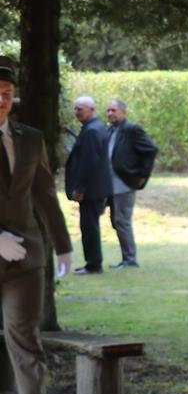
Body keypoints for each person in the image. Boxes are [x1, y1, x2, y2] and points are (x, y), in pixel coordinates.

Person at [0, 57, 74, 394]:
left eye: (7, 93)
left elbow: (44, 195)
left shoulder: (30, 138)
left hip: (25, 257)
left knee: (25, 336)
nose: (1, 99)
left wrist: (62, 246)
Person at [104, 99, 159, 269]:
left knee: (122, 220)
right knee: (116, 221)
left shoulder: (131, 129)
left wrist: (142, 175)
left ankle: (130, 259)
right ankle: (126, 257)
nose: (110, 113)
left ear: (123, 112)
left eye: (113, 110)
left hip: (124, 183)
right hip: (110, 184)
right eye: (108, 110)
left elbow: (151, 149)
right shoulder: (110, 130)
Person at [64, 95, 113, 275]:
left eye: (80, 109)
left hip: (91, 190)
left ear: (92, 110)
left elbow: (89, 162)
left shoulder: (92, 131)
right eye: (75, 108)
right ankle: (92, 262)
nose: (77, 112)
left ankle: (93, 264)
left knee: (89, 227)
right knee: (90, 226)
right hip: (96, 188)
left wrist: (80, 188)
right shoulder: (95, 127)